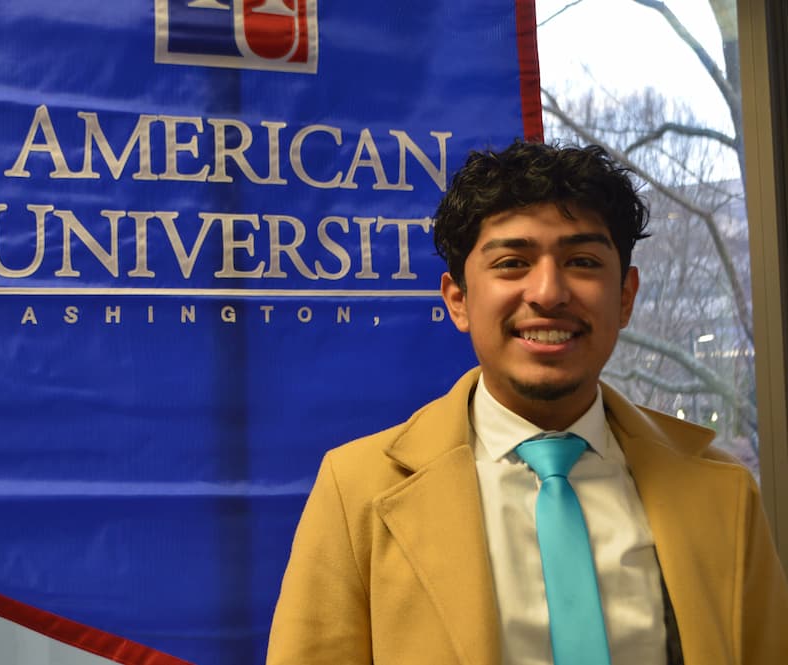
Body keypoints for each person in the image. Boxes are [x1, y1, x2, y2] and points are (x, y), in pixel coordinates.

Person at [266, 141, 788, 665]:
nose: (548, 292)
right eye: (513, 263)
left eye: (582, 261)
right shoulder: (356, 491)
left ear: (625, 297)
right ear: (459, 300)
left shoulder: (722, 491)